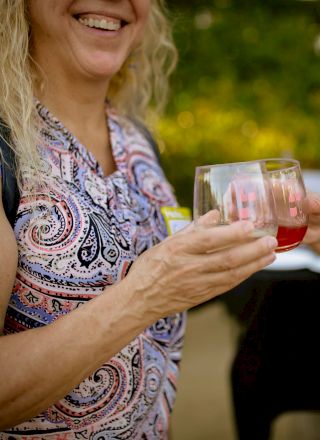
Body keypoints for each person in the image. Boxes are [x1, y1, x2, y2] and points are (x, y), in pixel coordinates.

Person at [0, 1, 317, 439]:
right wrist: (143, 295)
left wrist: (279, 235)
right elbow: (150, 284)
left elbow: (161, 271)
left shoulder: (135, 137)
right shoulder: (6, 151)